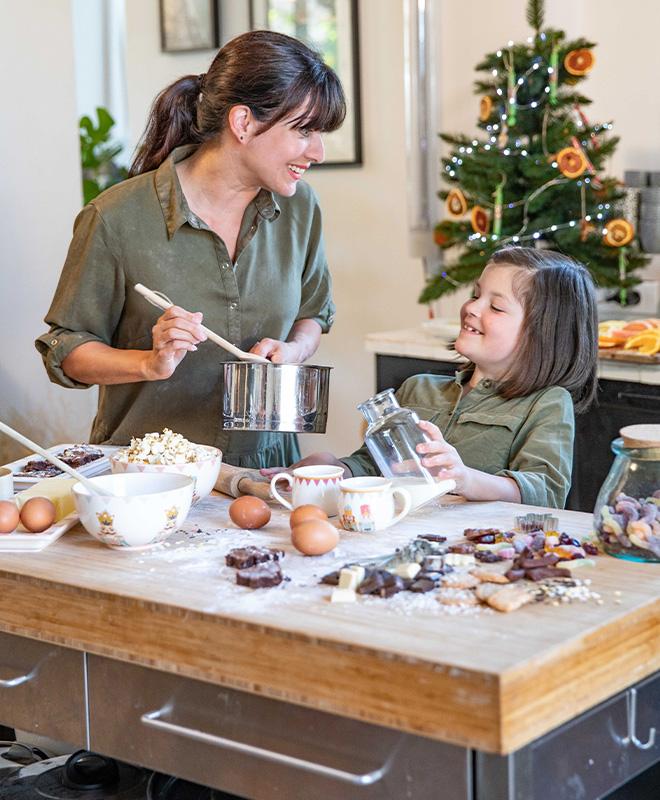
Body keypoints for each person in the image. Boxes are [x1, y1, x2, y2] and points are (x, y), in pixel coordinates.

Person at [36, 31, 345, 469]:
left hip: (266, 469)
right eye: (304, 131)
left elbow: (312, 313)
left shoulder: (300, 208)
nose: (318, 151)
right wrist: (150, 362)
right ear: (242, 123)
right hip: (149, 474)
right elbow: (67, 348)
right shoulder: (115, 217)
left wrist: (293, 351)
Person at [262, 247, 598, 509]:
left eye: (496, 307)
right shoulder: (418, 388)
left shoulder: (546, 403)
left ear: (542, 335)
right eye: (475, 294)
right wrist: (336, 466)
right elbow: (373, 465)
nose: (472, 308)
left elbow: (545, 492)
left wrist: (465, 479)